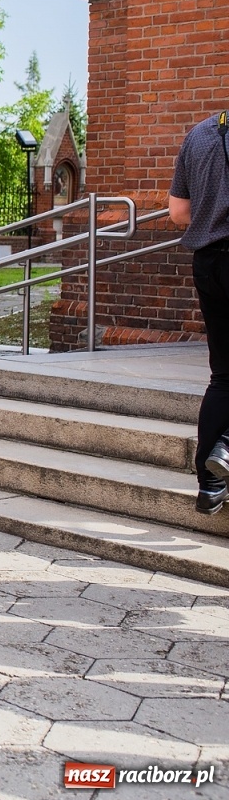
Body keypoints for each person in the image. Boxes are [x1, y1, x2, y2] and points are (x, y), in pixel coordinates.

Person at [166, 115, 229, 515]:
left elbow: (177, 212)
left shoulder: (201, 134)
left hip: (208, 263)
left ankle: (210, 486)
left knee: (223, 374)